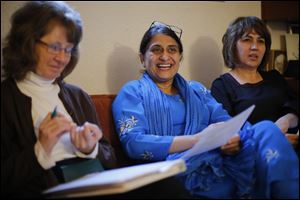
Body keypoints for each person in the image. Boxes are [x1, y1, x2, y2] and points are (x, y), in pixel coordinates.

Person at [1, 2, 191, 199]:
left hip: (97, 183)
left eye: (68, 49)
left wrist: (91, 148)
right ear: (26, 43)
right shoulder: (6, 99)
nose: (62, 57)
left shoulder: (77, 96)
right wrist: (40, 150)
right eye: (54, 47)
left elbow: (109, 157)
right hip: (51, 188)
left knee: (168, 186)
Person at [112, 21, 299, 199]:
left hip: (217, 155)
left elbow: (226, 121)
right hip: (173, 168)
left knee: (266, 129)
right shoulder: (132, 92)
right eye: (156, 50)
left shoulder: (197, 90)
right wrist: (198, 140)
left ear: (179, 57)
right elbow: (134, 143)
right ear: (142, 58)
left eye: (172, 50)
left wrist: (231, 138)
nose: (165, 56)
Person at [211, 16, 299, 149]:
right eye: (247, 40)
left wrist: (287, 120)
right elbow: (227, 135)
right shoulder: (222, 85)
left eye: (260, 41)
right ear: (232, 45)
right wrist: (273, 139)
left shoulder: (275, 77)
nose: (255, 47)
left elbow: (296, 106)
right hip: (252, 157)